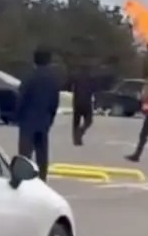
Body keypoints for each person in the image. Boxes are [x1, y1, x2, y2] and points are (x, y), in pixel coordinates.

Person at [16, 48, 61, 180]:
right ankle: (42, 179)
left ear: (34, 60)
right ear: (49, 60)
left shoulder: (29, 76)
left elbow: (21, 97)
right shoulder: (53, 79)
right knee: (42, 154)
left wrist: (17, 115)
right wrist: (50, 118)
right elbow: (55, 101)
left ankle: (22, 179)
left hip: (27, 120)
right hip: (44, 120)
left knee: (25, 154)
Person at [69, 65, 96, 146]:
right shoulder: (91, 79)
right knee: (89, 120)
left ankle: (76, 140)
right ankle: (81, 131)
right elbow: (93, 89)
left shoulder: (75, 78)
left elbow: (70, 88)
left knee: (76, 121)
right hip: (87, 102)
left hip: (77, 102)